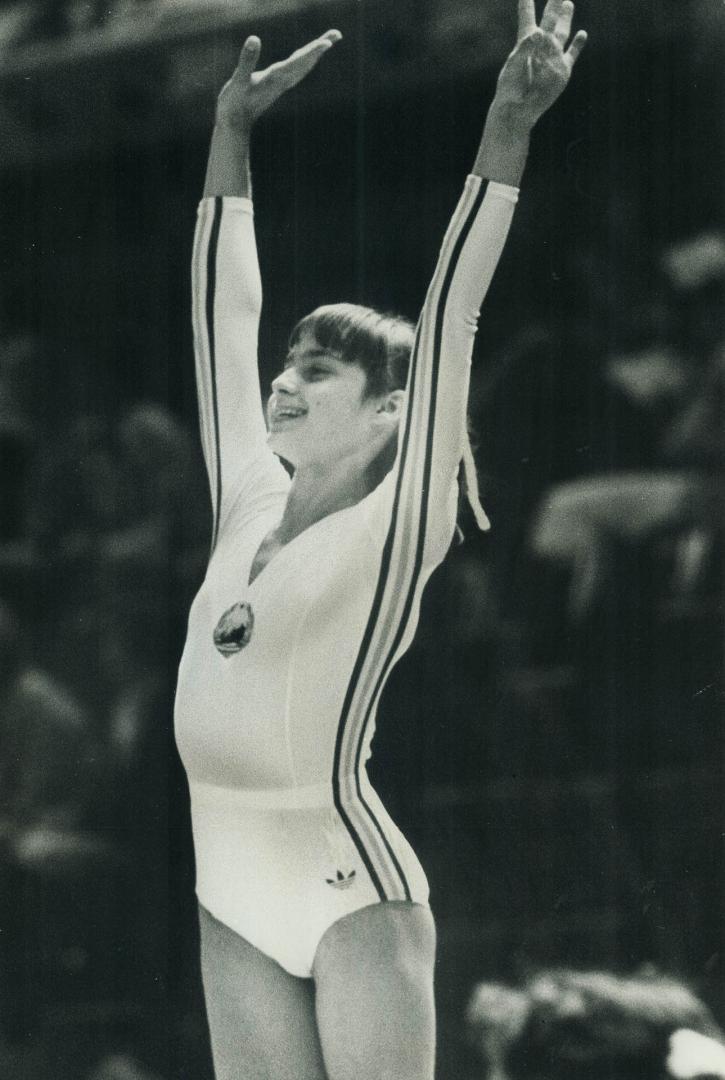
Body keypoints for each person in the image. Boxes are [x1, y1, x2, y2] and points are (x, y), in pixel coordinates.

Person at [173, 3, 587, 1078]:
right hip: (225, 895)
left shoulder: (400, 524)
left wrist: (505, 126)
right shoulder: (245, 502)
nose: (284, 377)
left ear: (390, 414)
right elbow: (223, 319)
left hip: (345, 888)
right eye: (291, 360)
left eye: (320, 368)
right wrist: (231, 138)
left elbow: (450, 315)